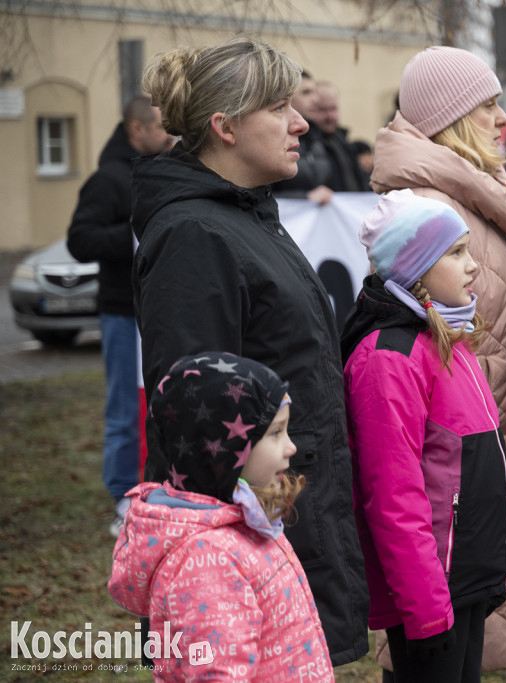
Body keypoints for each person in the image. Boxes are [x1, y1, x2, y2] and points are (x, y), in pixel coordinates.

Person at [131, 35, 369, 665]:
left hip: (288, 509)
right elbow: (197, 419)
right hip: (249, 539)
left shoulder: (248, 217)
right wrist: (228, 557)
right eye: (280, 109)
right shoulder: (194, 235)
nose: (301, 124)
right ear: (225, 126)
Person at [369, 45, 506, 672]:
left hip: (491, 450)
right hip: (462, 465)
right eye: (486, 105)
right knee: (443, 646)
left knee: (465, 645)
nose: (502, 117)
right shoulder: (438, 204)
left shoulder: (469, 194)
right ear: (450, 119)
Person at [340, 191, 506, 683]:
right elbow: (392, 496)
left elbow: (480, 461)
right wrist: (424, 607)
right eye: (456, 253)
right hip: (432, 591)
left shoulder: (445, 338)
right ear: (415, 270)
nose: (473, 266)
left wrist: (498, 559)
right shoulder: (388, 358)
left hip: (465, 578)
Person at [108, 351, 333, 680]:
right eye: (275, 433)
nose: (291, 447)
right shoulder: (207, 559)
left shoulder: (245, 522)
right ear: (227, 452)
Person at [66, 96, 172, 537]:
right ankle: (121, 498)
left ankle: (156, 490)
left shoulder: (162, 172)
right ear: (137, 129)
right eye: (163, 129)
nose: (171, 137)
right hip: (121, 315)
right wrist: (133, 232)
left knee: (159, 406)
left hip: (157, 312)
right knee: (125, 410)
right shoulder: (107, 180)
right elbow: (80, 239)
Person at [269, 70, 337, 204]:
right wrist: (304, 198)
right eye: (306, 92)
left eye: (314, 92)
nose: (316, 100)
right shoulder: (275, 138)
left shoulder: (317, 138)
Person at [315, 80, 372, 191]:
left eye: (333, 109)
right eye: (322, 109)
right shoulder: (307, 145)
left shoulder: (342, 142)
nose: (329, 116)